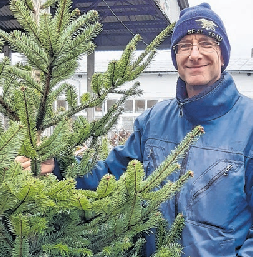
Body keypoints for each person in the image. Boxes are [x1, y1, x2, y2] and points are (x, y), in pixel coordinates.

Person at [16, 3, 253, 256]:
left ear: (223, 55)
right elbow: (112, 173)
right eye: (184, 45)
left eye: (206, 43)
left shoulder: (248, 125)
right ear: (176, 59)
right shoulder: (154, 120)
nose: (194, 54)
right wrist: (60, 166)